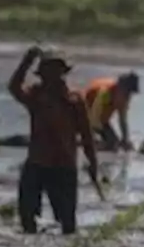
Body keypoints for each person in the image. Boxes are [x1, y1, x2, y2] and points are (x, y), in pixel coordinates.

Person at [8, 46, 99, 236]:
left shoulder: (74, 100)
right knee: (27, 214)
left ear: (62, 72)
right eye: (48, 69)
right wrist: (26, 61)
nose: (52, 74)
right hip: (37, 162)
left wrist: (93, 163)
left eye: (56, 69)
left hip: (63, 165)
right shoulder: (36, 95)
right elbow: (14, 88)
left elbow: (86, 134)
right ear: (42, 73)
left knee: (67, 222)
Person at [84, 72, 139, 151]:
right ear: (119, 87)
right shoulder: (105, 93)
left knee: (114, 143)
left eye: (129, 94)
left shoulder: (124, 99)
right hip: (86, 116)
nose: (127, 97)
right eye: (126, 93)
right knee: (112, 144)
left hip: (102, 120)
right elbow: (94, 117)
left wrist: (125, 139)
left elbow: (122, 120)